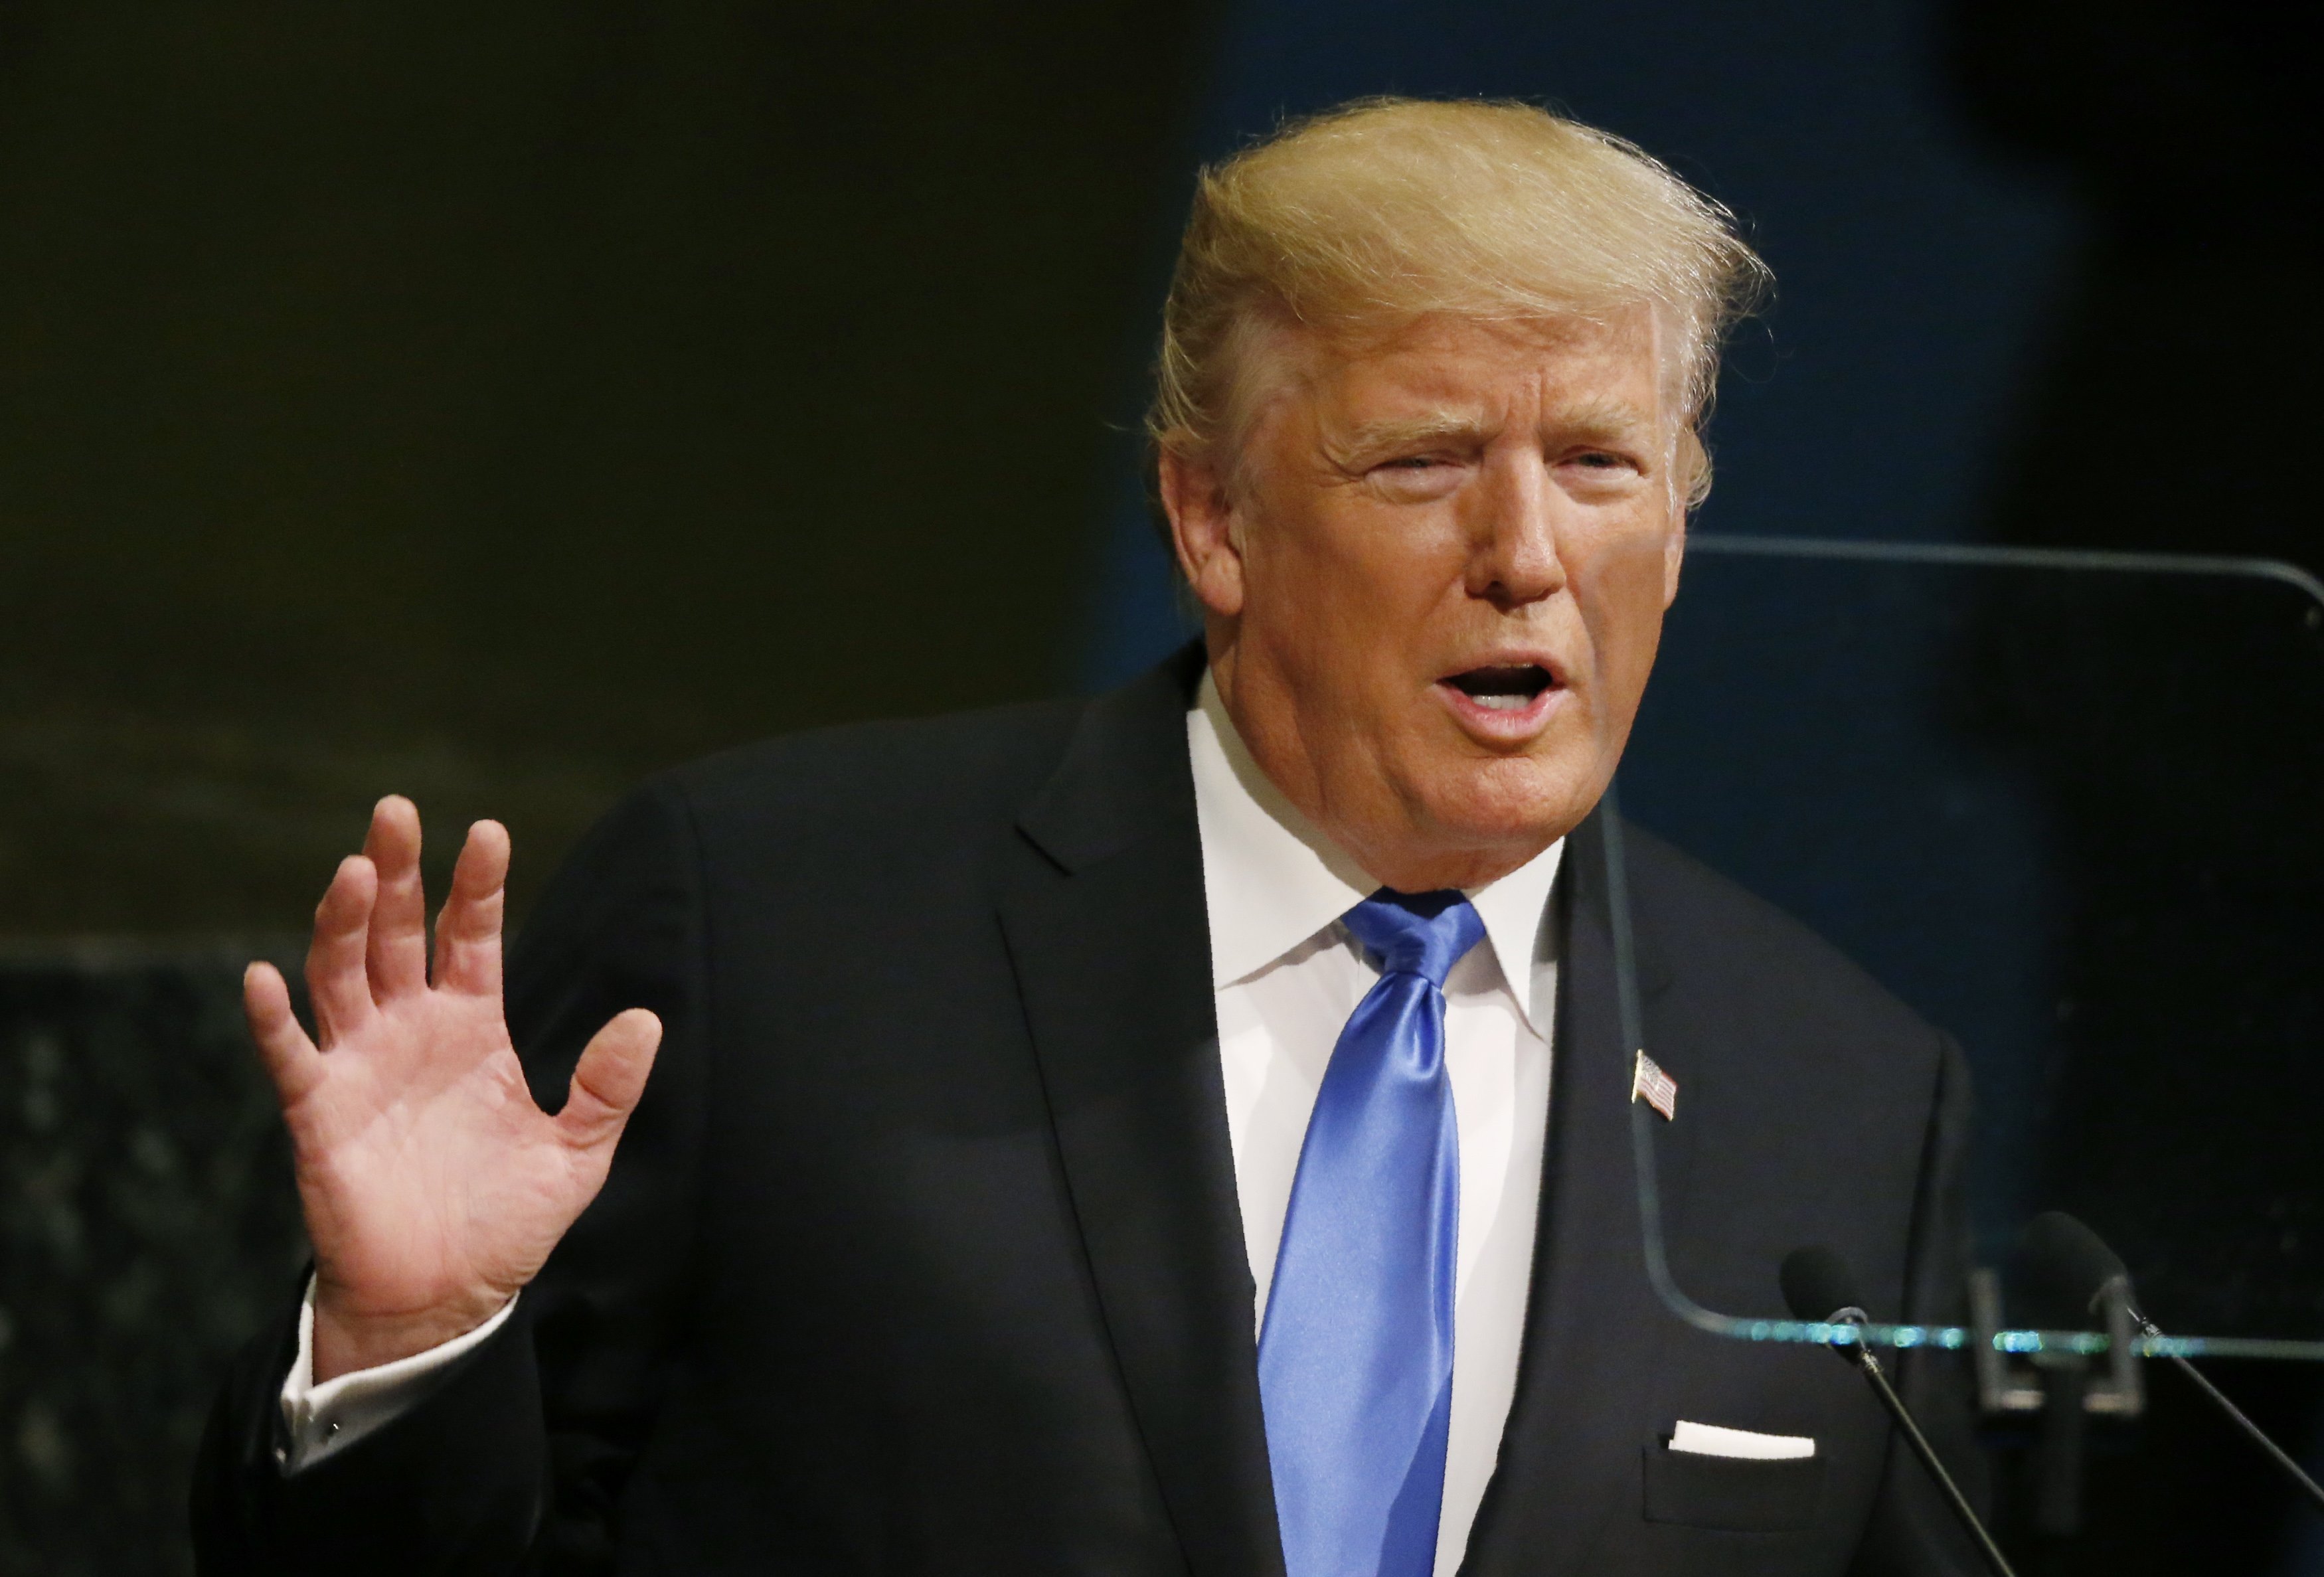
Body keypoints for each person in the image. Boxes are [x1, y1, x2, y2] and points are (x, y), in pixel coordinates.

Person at [193, 98, 1985, 1575]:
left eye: (1601, 465)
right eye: (1425, 460)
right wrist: (411, 1356)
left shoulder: (1831, 1096)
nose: (1525, 553)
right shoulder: (769, 926)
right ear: (1210, 517)